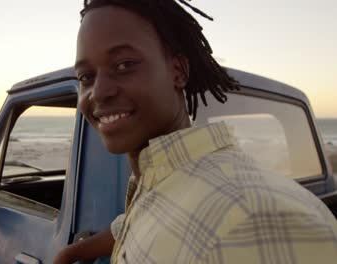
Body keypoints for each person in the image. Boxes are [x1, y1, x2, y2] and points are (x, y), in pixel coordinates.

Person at [54, 0, 337, 263]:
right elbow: (141, 219)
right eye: (86, 77)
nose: (99, 93)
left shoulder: (254, 220)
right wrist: (70, 253)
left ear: (178, 71)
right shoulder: (161, 180)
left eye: (125, 65)